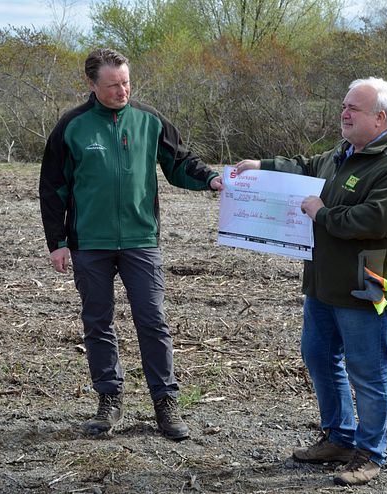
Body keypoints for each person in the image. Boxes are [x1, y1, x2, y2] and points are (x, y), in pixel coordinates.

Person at [235, 77, 387, 486]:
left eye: (354, 108)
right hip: (323, 280)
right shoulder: (342, 154)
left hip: (368, 282)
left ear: (380, 117)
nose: (345, 112)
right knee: (319, 357)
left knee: (368, 371)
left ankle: (370, 453)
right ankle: (339, 437)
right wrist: (261, 166)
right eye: (344, 105)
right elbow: (304, 167)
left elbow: (376, 220)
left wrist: (321, 213)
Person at [39, 48, 223, 441]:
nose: (122, 90)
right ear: (91, 84)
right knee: (98, 322)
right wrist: (56, 242)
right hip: (89, 243)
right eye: (112, 85)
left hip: (142, 240)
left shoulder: (149, 119)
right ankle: (109, 400)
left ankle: (166, 404)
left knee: (153, 321)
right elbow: (53, 188)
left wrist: (210, 179)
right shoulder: (72, 126)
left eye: (126, 82)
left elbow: (179, 163)